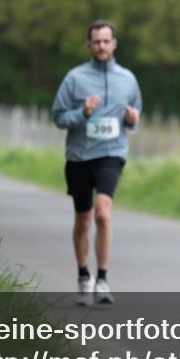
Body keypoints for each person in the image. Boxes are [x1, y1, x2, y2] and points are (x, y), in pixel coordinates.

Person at [52, 20, 142, 306]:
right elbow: (58, 117)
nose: (102, 46)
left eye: (106, 41)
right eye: (96, 41)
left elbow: (135, 115)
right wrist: (83, 113)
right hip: (79, 157)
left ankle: (102, 278)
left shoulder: (127, 78)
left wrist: (132, 119)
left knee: (103, 213)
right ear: (89, 45)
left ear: (114, 44)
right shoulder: (74, 78)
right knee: (83, 219)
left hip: (111, 154)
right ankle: (83, 275)